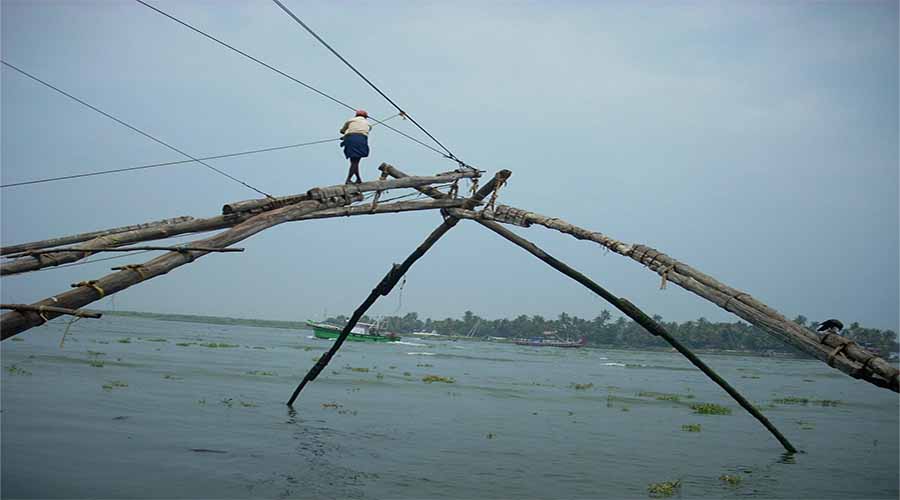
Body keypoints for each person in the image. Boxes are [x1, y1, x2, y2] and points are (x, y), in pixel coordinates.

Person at [340, 110, 371, 184]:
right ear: (365, 117)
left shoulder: (350, 120)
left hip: (350, 139)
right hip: (361, 140)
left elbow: (342, 131)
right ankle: (354, 179)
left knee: (354, 162)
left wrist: (345, 135)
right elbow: (364, 131)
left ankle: (352, 179)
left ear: (356, 115)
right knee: (355, 162)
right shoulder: (368, 124)